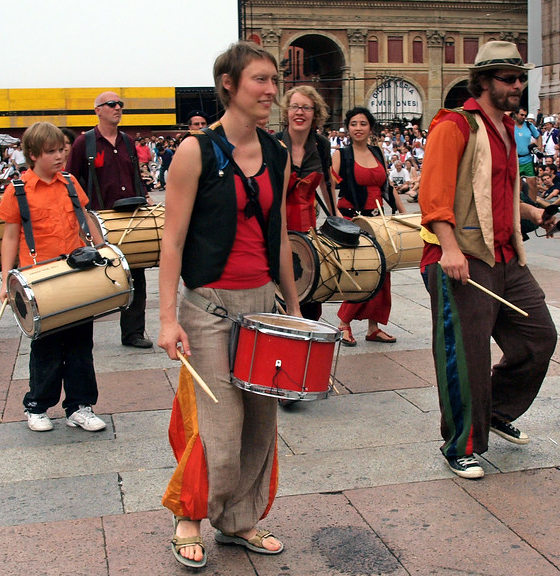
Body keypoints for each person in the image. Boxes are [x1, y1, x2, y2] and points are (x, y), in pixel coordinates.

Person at [158, 41, 299, 569]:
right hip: (209, 307)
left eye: (273, 81)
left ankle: (239, 522)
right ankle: (189, 516)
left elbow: (280, 232)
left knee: (261, 424)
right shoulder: (196, 151)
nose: (271, 90)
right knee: (217, 427)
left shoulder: (278, 152)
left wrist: (294, 306)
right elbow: (171, 241)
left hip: (263, 305)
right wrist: (168, 318)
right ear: (228, 85)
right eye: (260, 80)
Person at [418, 41, 557, 479]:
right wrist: (450, 248)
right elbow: (433, 196)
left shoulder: (507, 128)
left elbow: (499, 194)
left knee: (538, 339)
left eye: (520, 78)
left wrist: (536, 214)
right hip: (462, 257)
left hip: (505, 255)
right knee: (467, 354)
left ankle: (494, 411)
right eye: (508, 78)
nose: (517, 84)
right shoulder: (454, 125)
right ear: (483, 82)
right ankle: (460, 442)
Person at [0, 122, 108, 434]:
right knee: (45, 347)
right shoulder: (18, 191)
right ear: (32, 154)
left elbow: (87, 219)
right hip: (39, 280)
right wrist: (7, 280)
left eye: (62, 149)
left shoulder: (70, 183)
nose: (60, 156)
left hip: (76, 273)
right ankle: (37, 406)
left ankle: (79, 406)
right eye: (51, 151)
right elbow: (9, 238)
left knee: (80, 343)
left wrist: (103, 251)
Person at [68, 91, 152, 349]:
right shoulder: (85, 142)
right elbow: (70, 180)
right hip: (100, 220)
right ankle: (82, 334)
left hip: (130, 216)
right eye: (112, 104)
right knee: (97, 275)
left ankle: (133, 333)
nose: (118, 108)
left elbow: (135, 175)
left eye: (120, 104)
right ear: (98, 110)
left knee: (136, 273)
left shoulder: (128, 141)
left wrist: (145, 200)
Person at [333, 106, 405, 346]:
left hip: (378, 218)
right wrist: (335, 218)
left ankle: (373, 327)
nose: (358, 128)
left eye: (363, 123)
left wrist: (405, 215)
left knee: (383, 271)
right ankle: (344, 323)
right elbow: (326, 187)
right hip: (352, 220)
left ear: (370, 127)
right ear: (348, 127)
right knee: (362, 272)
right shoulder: (341, 155)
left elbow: (388, 188)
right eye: (353, 124)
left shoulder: (377, 152)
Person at [276, 85, 336, 321]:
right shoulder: (274, 143)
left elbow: (327, 184)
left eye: (306, 108)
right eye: (295, 107)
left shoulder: (322, 145)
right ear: (286, 112)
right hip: (278, 229)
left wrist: (337, 219)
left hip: (308, 231)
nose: (299, 112)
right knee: (279, 296)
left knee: (310, 293)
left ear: (315, 113)